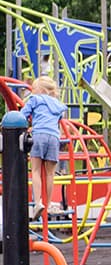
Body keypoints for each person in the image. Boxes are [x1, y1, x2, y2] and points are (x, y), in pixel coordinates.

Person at [22, 76, 67, 219]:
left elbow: (22, 116)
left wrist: (29, 126)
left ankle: (37, 203)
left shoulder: (35, 100)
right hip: (54, 137)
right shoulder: (59, 105)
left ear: (40, 90)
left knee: (35, 170)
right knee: (50, 174)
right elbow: (58, 121)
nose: (32, 92)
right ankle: (47, 204)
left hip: (39, 134)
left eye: (33, 89)